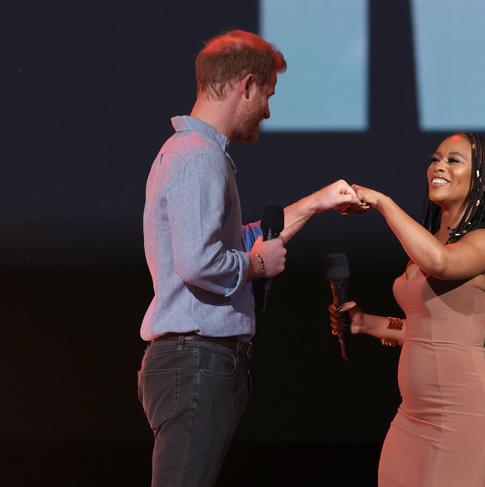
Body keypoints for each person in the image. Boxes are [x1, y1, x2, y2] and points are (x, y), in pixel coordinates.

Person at [137, 30, 360, 487]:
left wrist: (316, 203)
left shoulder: (192, 154)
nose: (268, 110)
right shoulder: (198, 158)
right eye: (267, 94)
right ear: (246, 86)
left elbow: (234, 241)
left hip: (196, 362)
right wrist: (256, 266)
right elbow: (200, 262)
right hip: (195, 362)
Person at [330, 133, 485, 486]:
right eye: (435, 159)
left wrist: (383, 202)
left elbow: (441, 262)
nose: (438, 166)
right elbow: (426, 329)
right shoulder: (433, 240)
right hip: (415, 415)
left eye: (453, 160)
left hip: (466, 415)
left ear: (482, 179)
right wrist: (365, 322)